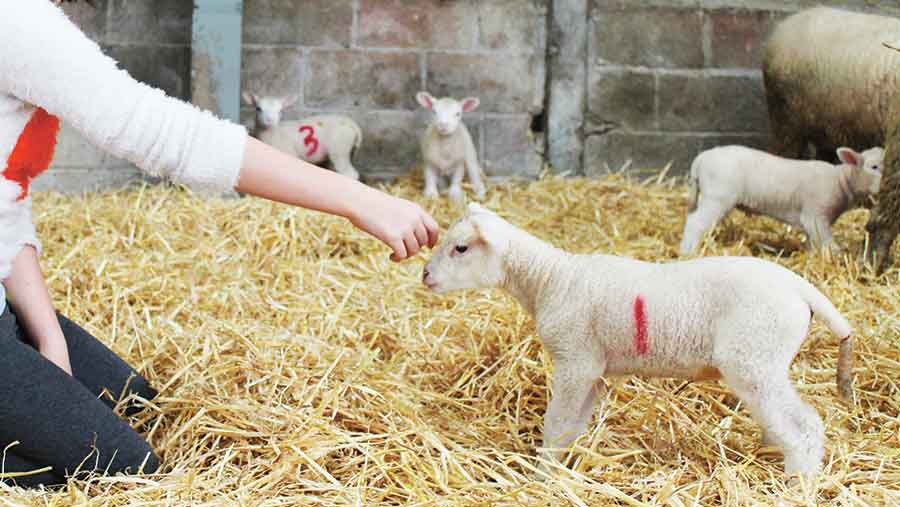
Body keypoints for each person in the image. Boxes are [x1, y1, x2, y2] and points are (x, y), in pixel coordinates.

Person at [0, 1, 439, 488]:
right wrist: (358, 200)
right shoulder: (16, 19)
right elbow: (165, 135)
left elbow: (6, 201)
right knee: (120, 471)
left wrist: (49, 335)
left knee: (134, 404)